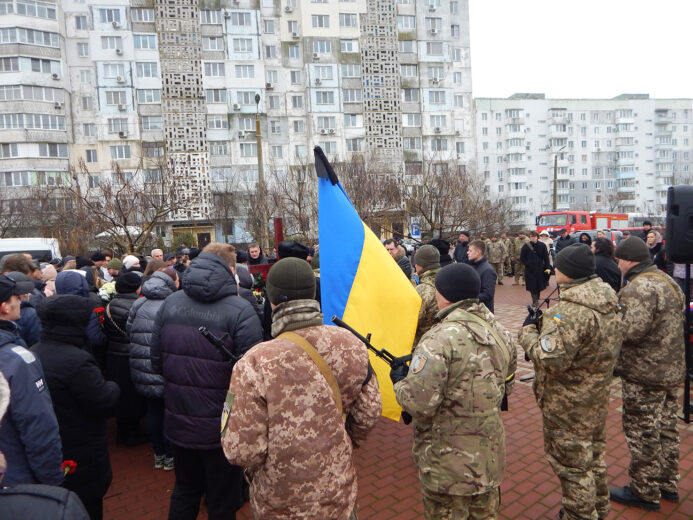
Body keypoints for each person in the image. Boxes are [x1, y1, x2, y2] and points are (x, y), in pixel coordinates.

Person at [222, 258, 382, 519]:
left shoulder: (254, 362)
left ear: (272, 299)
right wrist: (344, 442)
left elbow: (241, 451)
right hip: (338, 495)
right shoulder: (351, 344)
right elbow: (369, 412)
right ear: (312, 293)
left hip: (279, 503)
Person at [392, 263, 516, 519]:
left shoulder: (439, 338)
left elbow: (418, 404)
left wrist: (400, 382)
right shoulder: (500, 331)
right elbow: (507, 387)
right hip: (488, 458)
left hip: (447, 465)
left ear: (444, 294)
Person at [151, 243, 263, 520]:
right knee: (222, 500)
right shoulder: (240, 309)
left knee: (185, 490)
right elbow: (253, 374)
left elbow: (156, 361)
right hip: (223, 425)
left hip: (179, 416)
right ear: (230, 269)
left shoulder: (170, 303)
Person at [519, 244, 622, 520]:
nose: (553, 270)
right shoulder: (605, 298)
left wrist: (528, 331)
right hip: (595, 395)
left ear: (569, 273)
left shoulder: (571, 311)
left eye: (558, 266)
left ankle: (580, 514)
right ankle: (598, 507)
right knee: (594, 457)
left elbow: (549, 359)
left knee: (572, 467)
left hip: (567, 403)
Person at [609, 237, 685, 512]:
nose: (617, 265)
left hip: (645, 373)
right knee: (666, 428)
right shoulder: (667, 281)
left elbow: (630, 331)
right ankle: (667, 483)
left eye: (619, 260)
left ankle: (644, 490)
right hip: (669, 369)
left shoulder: (639, 288)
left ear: (629, 260)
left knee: (642, 430)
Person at [32, 293, 120, 520]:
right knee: (88, 506)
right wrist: (112, 385)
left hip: (57, 443)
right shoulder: (77, 361)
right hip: (81, 447)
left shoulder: (33, 352)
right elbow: (102, 401)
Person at [0, 274, 64, 487]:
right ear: (4, 307)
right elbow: (38, 429)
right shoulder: (18, 361)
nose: (20, 301)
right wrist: (53, 482)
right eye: (15, 298)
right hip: (16, 478)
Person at [127, 268, 179, 472]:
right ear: (171, 281)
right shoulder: (172, 304)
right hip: (164, 365)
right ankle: (171, 454)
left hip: (142, 364)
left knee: (153, 410)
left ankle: (159, 454)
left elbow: (129, 330)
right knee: (169, 411)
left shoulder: (139, 302)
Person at [102, 272, 146, 446]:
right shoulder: (138, 306)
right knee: (133, 397)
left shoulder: (109, 305)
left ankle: (123, 432)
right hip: (132, 353)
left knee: (121, 396)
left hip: (114, 355)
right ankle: (133, 433)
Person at [411, 245, 441, 348]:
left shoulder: (423, 289)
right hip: (445, 340)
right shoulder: (447, 279)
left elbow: (412, 322)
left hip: (424, 345)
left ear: (420, 265)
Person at [520, 231, 551, 306]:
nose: (532, 238)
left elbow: (546, 258)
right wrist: (528, 265)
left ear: (537, 237)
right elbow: (522, 258)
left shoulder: (542, 245)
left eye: (534, 236)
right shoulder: (526, 246)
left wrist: (547, 267)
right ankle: (535, 301)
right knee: (532, 286)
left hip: (540, 269)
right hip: (530, 270)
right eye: (531, 236)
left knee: (539, 285)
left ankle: (537, 299)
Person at [466, 240, 497, 313]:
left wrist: (468, 298)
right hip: (474, 309)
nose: (467, 253)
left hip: (483, 312)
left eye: (470, 251)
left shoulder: (488, 270)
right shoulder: (472, 266)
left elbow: (488, 294)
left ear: (478, 252)